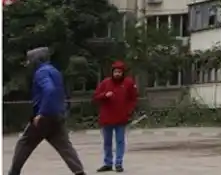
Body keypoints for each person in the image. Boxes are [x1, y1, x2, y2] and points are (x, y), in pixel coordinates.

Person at [7, 47, 86, 175]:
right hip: (57, 114)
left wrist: (41, 113)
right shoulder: (54, 71)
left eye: (29, 60)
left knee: (24, 143)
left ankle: (13, 172)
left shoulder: (41, 72)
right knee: (65, 146)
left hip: (44, 116)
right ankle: (79, 172)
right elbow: (61, 92)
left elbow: (49, 90)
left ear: (36, 60)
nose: (28, 63)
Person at [92, 61, 138, 172]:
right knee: (107, 142)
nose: (117, 74)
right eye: (116, 72)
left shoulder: (128, 83)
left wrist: (129, 111)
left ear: (123, 73)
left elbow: (133, 98)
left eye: (120, 72)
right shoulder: (105, 83)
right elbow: (95, 97)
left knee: (120, 141)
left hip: (121, 118)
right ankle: (107, 163)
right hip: (107, 118)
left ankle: (118, 163)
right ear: (112, 72)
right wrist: (104, 95)